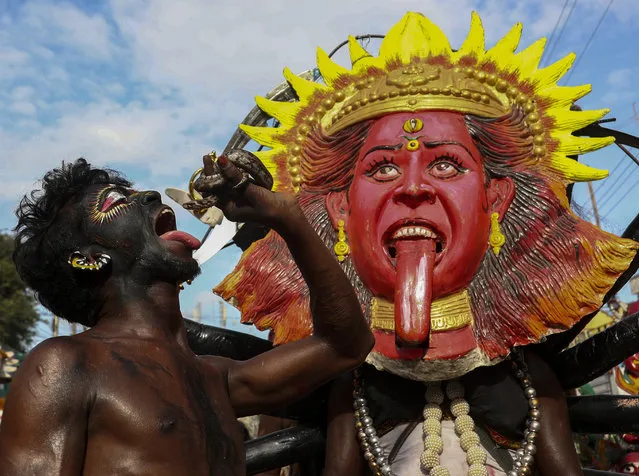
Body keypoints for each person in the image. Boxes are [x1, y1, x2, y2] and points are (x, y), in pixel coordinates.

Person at [206, 11, 639, 476]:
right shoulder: (345, 389)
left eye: (446, 165)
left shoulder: (532, 383)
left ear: (496, 199)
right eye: (383, 168)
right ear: (341, 211)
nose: (413, 189)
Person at [0, 156, 374, 475]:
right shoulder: (65, 366)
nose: (150, 196)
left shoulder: (215, 379)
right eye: (117, 200)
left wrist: (286, 217)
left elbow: (345, 344)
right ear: (88, 259)